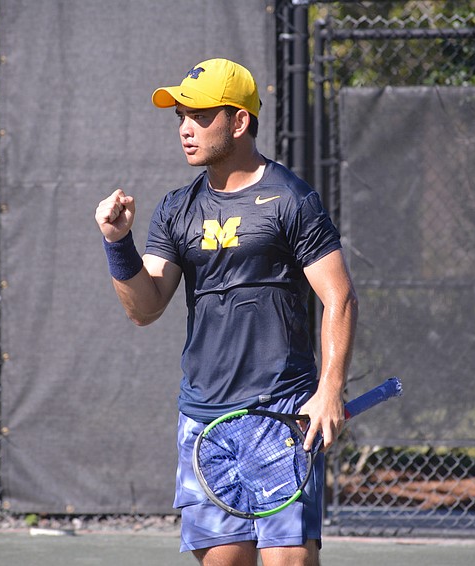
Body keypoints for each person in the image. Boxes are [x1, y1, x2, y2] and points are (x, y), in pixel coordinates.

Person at [94, 58, 358, 566]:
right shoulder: (176, 208)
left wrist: (329, 391)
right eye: (181, 117)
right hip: (204, 420)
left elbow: (339, 297)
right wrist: (118, 243)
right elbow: (145, 307)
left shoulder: (291, 199)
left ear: (238, 121)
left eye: (199, 115)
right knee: (223, 560)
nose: (185, 128)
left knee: (289, 560)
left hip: (280, 413)